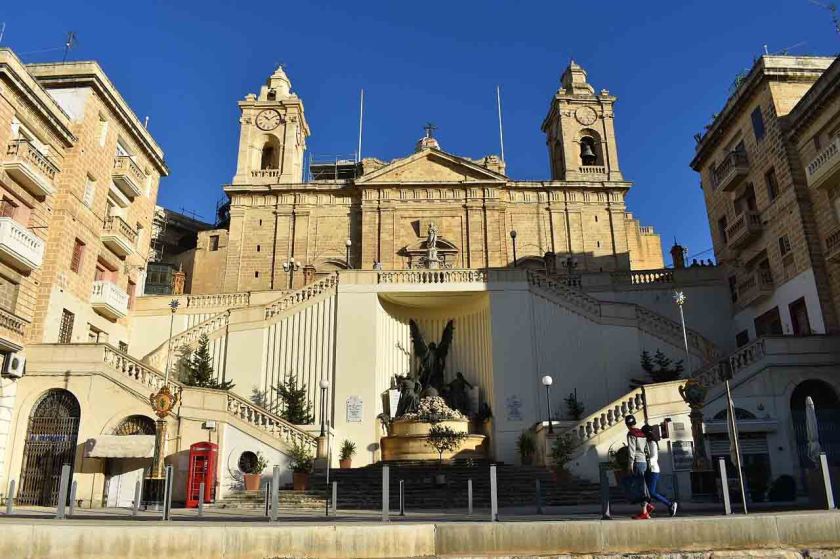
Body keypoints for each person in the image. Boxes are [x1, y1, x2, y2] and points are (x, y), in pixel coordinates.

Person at [642, 424, 678, 517]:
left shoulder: (652, 443)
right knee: (646, 491)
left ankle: (670, 504)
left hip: (653, 470)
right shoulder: (646, 443)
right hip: (648, 469)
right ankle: (646, 509)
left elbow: (654, 457)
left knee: (651, 492)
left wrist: (648, 464)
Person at [625, 415, 651, 519]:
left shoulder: (631, 434)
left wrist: (630, 464)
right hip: (644, 461)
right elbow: (647, 449)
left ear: (627, 424)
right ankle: (646, 508)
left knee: (640, 487)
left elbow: (631, 450)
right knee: (643, 485)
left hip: (637, 462)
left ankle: (644, 511)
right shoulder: (642, 433)